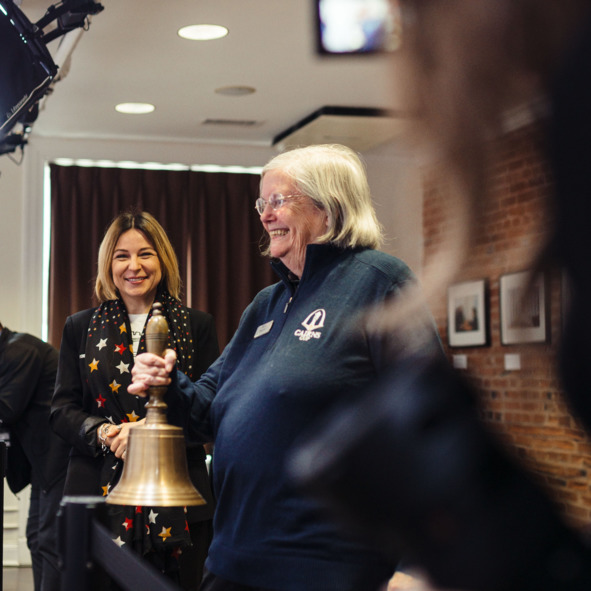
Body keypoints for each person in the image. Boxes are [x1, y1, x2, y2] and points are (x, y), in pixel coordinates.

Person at [129, 144, 442, 591]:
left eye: (278, 200)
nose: (265, 216)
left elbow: (430, 426)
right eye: (262, 204)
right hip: (232, 560)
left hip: (322, 569)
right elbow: (206, 411)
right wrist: (167, 383)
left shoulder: (379, 283)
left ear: (328, 206)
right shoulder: (266, 304)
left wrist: (415, 566)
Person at [50, 210, 220, 590]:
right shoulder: (79, 326)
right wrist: (107, 433)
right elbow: (61, 411)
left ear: (163, 259)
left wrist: (145, 432)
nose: (134, 266)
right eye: (122, 256)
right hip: (96, 495)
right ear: (108, 265)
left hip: (181, 498)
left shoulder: (198, 325)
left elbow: (211, 409)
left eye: (145, 254)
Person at [0, 322, 70, 591]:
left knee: (49, 539)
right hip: (43, 459)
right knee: (37, 537)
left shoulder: (20, 350)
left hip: (59, 455)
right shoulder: (12, 349)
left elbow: (6, 409)